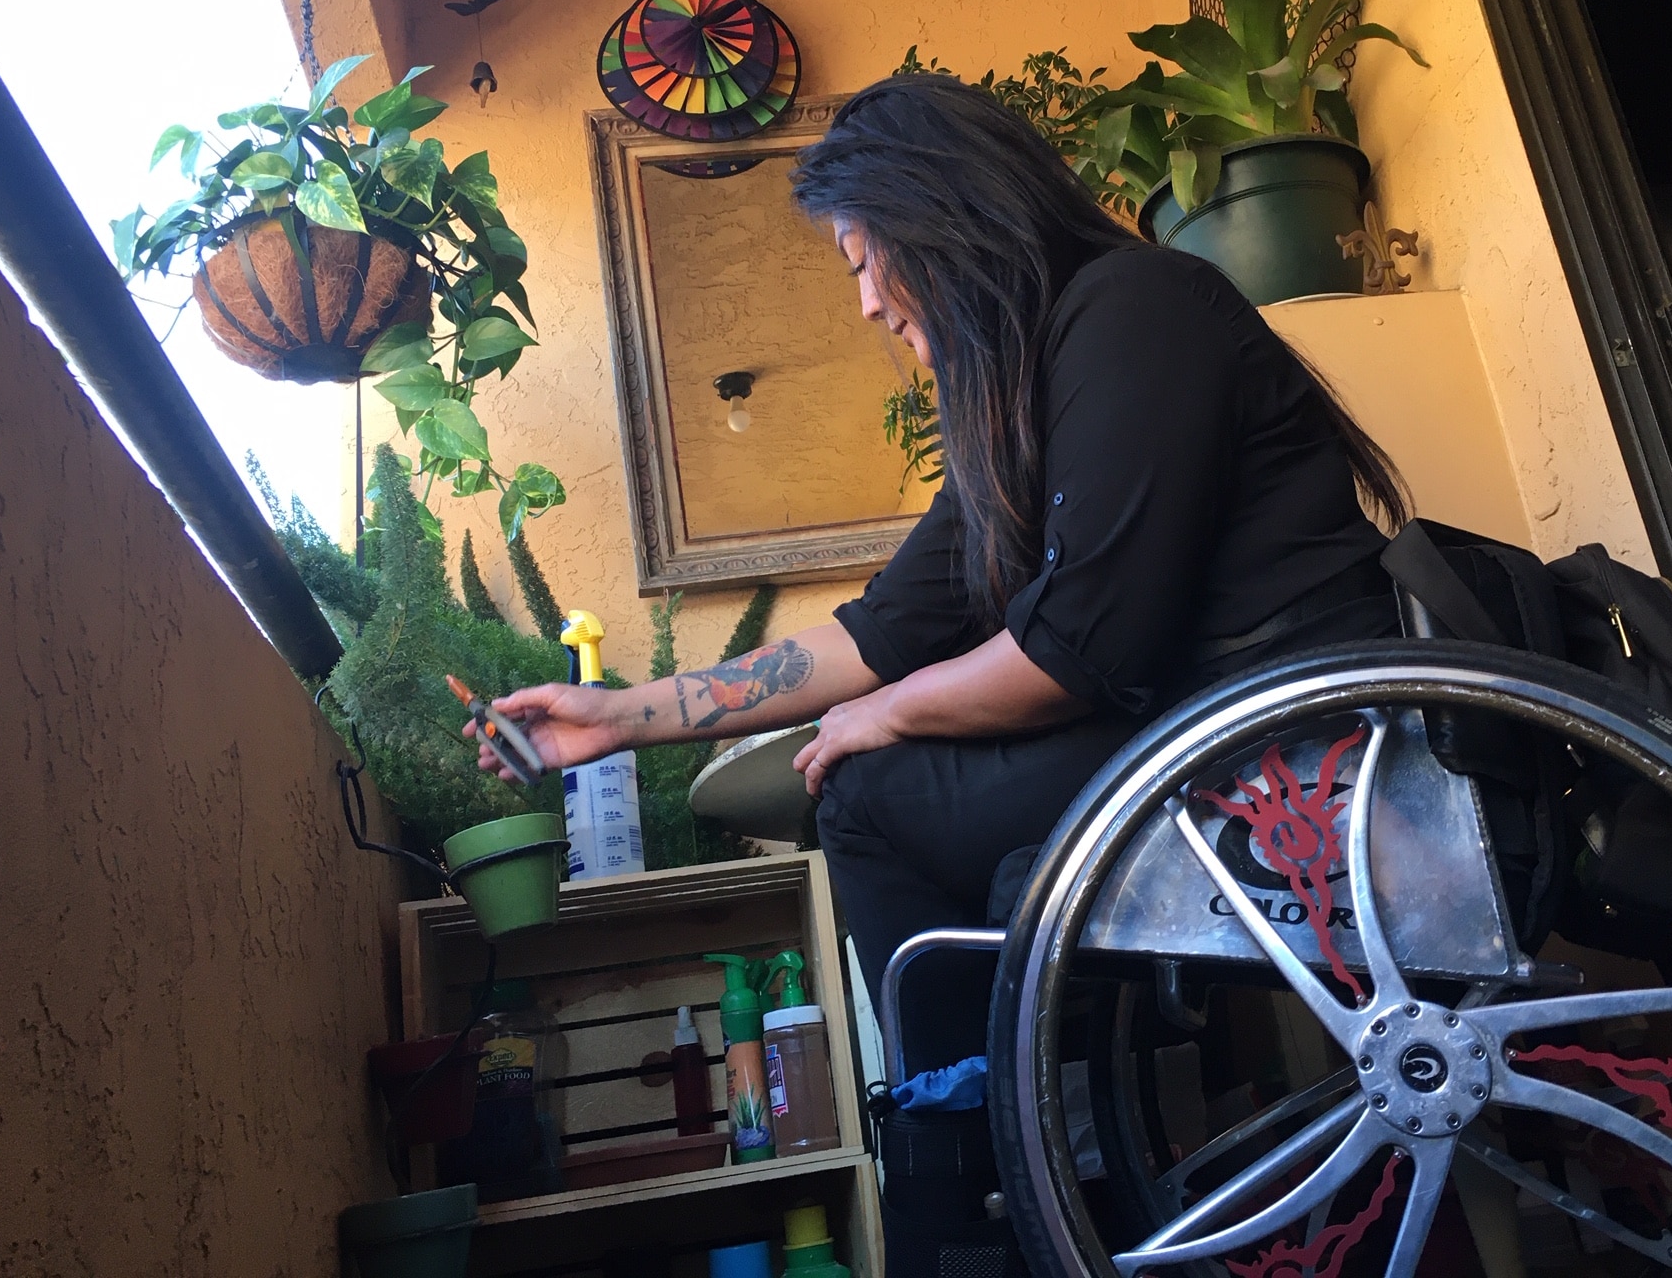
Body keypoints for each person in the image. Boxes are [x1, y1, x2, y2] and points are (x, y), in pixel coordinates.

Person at [472, 73, 1408, 1274]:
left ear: (942, 217)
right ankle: (1014, 1157)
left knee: (870, 798)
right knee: (876, 786)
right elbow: (875, 633)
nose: (865, 303)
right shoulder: (1030, 396)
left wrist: (883, 717)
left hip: (1303, 740)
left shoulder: (1133, 310)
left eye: (866, 258)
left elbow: (1082, 653)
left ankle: (978, 1180)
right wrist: (618, 716)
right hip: (1203, 734)